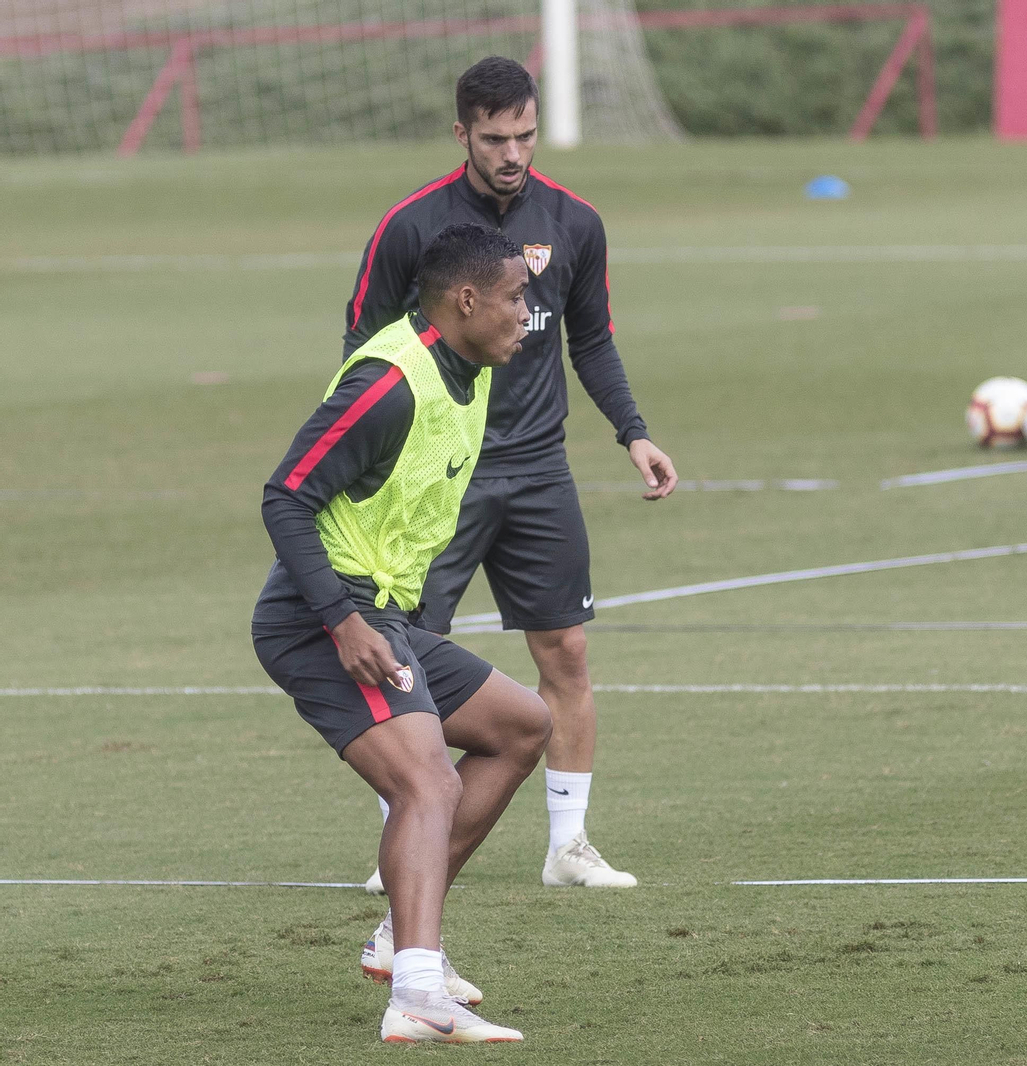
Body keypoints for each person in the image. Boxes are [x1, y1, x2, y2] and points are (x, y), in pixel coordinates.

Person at [345, 55, 676, 895]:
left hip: (537, 472)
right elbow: (362, 350)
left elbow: (591, 338)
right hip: (435, 480)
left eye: (525, 134)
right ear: (462, 134)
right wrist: (375, 458)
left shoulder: (573, 222)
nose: (513, 152)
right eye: (494, 138)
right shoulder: (410, 227)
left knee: (565, 650)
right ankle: (402, 844)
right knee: (409, 659)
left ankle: (569, 847)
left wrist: (632, 432)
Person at [253, 223, 546, 1043]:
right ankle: (417, 990)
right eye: (516, 298)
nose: (528, 313)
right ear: (466, 300)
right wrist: (342, 621)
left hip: (381, 614)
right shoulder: (388, 382)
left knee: (522, 727)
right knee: (429, 783)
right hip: (321, 619)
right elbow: (285, 497)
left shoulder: (475, 366)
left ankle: (400, 940)